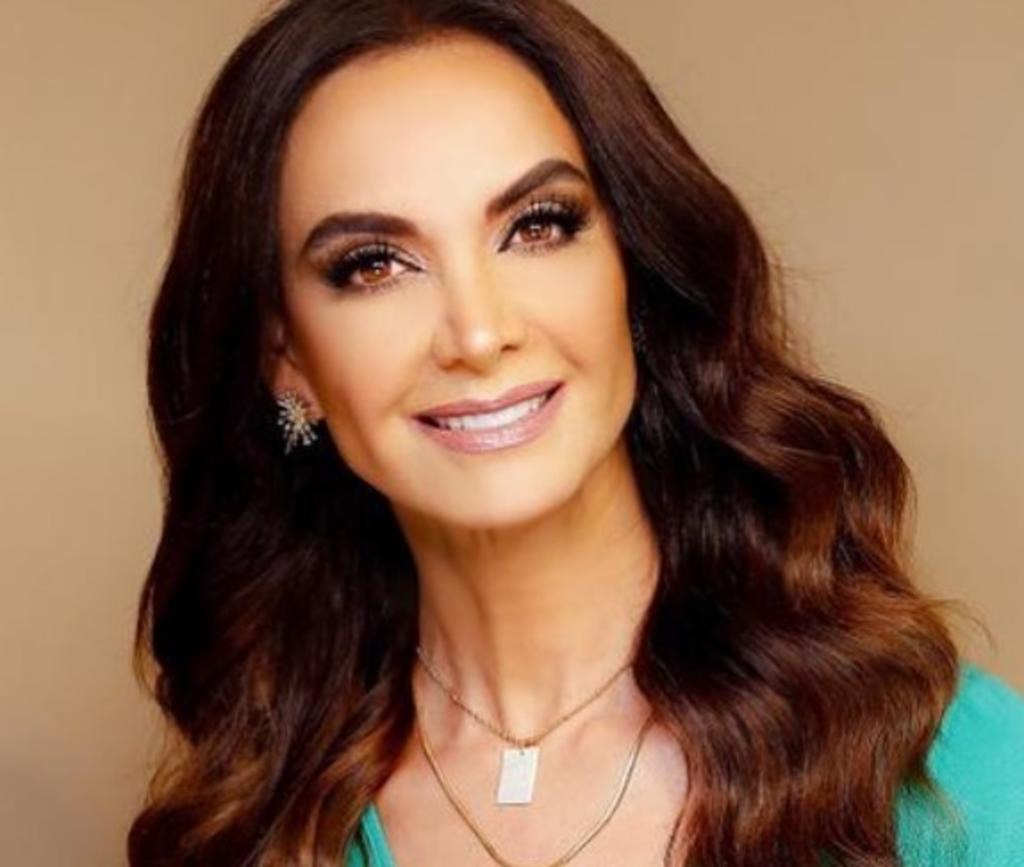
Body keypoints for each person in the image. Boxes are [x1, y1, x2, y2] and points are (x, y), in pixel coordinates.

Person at [127, 1, 1024, 866]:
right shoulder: (253, 823)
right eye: (374, 265)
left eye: (538, 225)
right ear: (285, 354)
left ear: (631, 266)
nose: (480, 332)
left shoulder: (958, 783)